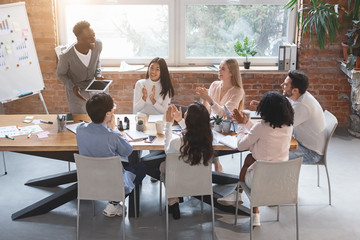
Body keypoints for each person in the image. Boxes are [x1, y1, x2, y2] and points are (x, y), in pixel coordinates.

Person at [217, 91, 294, 227]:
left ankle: (240, 196)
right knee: (251, 159)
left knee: (250, 158)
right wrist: (246, 122)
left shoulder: (261, 127)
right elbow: (263, 133)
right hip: (281, 181)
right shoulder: (288, 127)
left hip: (259, 181)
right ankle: (242, 199)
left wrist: (241, 125)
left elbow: (241, 145)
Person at [76, 93, 145, 217]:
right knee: (141, 167)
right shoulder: (112, 135)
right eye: (112, 107)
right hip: (113, 184)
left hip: (89, 181)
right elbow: (128, 151)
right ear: (108, 114)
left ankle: (113, 204)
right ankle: (114, 203)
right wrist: (114, 129)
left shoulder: (80, 129)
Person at [159, 103, 214, 220]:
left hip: (179, 182)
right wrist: (180, 121)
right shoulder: (209, 139)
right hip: (200, 182)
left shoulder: (177, 142)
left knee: (164, 166)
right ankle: (173, 200)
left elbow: (167, 150)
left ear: (188, 119)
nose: (185, 112)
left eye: (187, 112)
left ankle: (173, 201)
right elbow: (195, 131)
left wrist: (169, 123)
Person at [195, 58, 245, 172]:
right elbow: (207, 110)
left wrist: (208, 98)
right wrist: (204, 100)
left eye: (223, 69)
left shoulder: (238, 91)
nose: (219, 71)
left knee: (206, 138)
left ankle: (216, 164)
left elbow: (223, 113)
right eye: (219, 68)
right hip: (212, 123)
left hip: (227, 126)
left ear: (231, 72)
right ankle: (211, 165)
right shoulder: (214, 85)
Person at [57, 21, 105, 114]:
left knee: (100, 115)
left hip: (93, 86)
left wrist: (98, 74)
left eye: (94, 35)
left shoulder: (98, 45)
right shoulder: (66, 56)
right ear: (79, 39)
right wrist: (72, 86)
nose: (93, 39)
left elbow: (97, 61)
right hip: (76, 91)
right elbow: (61, 74)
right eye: (89, 38)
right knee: (79, 120)